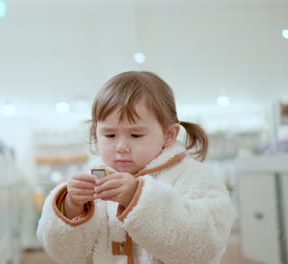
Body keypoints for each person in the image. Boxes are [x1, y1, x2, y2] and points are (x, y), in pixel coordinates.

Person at [36, 71, 236, 264]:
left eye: (136, 135)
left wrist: (138, 198)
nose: (121, 147)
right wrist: (72, 207)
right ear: (96, 133)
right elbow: (66, 255)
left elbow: (204, 247)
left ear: (169, 135)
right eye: (110, 135)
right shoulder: (91, 179)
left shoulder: (194, 176)